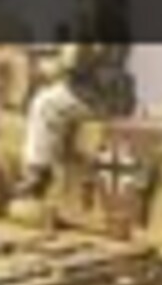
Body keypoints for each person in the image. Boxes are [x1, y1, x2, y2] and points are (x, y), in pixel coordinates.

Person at [17, 42, 135, 198]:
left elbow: (73, 61)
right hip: (118, 96)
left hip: (93, 96)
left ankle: (38, 171)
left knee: (43, 105)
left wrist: (45, 66)